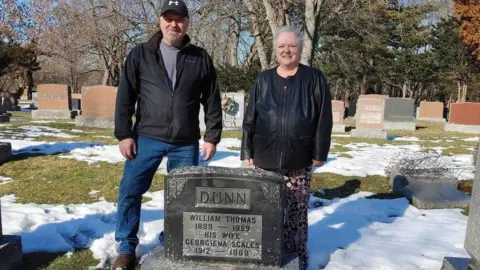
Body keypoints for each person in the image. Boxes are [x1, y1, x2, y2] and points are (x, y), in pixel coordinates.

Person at [112, 0, 223, 268]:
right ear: (161, 21)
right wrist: (124, 134)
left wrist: (212, 136)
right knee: (130, 190)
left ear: (187, 23)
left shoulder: (200, 57)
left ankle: (171, 241)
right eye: (169, 18)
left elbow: (211, 99)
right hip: (147, 137)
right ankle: (126, 248)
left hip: (185, 142)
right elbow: (125, 96)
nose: (174, 24)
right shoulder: (140, 54)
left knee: (184, 197)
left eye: (180, 19)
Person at [240, 25, 333, 268]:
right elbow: (250, 119)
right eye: (281, 46)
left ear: (300, 49)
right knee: (264, 212)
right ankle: (264, 256)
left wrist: (320, 152)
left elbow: (324, 119)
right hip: (264, 158)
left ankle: (295, 260)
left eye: (292, 46)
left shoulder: (314, 78)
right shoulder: (263, 79)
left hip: (298, 159)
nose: (286, 50)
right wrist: (247, 151)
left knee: (295, 215)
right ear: (275, 51)